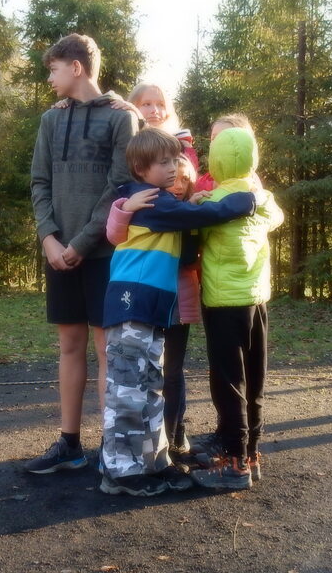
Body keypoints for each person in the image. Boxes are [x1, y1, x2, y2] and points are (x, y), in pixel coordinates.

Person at [98, 129, 256, 496]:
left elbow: (186, 233)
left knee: (150, 386)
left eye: (175, 160)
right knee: (128, 390)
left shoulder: (158, 201)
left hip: (151, 308)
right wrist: (246, 200)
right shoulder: (151, 201)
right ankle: (120, 472)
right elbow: (210, 214)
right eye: (163, 162)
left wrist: (192, 204)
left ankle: (153, 462)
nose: (173, 168)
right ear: (141, 168)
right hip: (132, 304)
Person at [26, 33, 140, 474]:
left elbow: (119, 187)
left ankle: (112, 446)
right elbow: (40, 182)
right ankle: (70, 443)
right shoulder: (51, 119)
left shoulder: (121, 118)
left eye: (53, 69)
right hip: (58, 252)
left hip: (105, 255)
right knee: (69, 346)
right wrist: (49, 238)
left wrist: (82, 243)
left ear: (76, 67)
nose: (49, 78)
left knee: (106, 348)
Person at [190, 127, 284, 490]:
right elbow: (277, 218)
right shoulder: (262, 198)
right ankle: (251, 453)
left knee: (229, 381)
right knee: (254, 377)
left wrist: (195, 202)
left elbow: (192, 236)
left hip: (223, 303)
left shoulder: (210, 203)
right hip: (257, 300)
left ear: (215, 161)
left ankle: (234, 462)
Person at [107, 153, 201, 462]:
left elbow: (189, 258)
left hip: (175, 307)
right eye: (172, 174)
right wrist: (124, 208)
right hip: (143, 303)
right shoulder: (142, 204)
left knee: (167, 375)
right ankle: (132, 458)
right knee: (139, 379)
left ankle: (168, 443)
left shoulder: (186, 215)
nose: (178, 183)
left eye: (185, 178)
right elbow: (114, 234)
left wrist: (190, 218)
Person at [128, 82, 199, 170]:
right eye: (147, 104)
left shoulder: (180, 143)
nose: (155, 110)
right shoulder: (125, 139)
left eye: (161, 105)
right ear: (133, 107)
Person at [195, 113, 253, 193]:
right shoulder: (204, 180)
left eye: (224, 138)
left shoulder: (249, 180)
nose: (217, 143)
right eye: (214, 138)